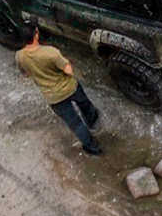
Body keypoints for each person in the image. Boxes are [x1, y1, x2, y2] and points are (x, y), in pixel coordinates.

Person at [15, 21, 102, 155]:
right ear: (36, 35)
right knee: (85, 104)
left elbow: (25, 73)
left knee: (75, 123)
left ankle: (92, 147)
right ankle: (92, 120)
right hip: (70, 88)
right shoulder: (51, 52)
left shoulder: (20, 56)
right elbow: (68, 70)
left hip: (54, 98)